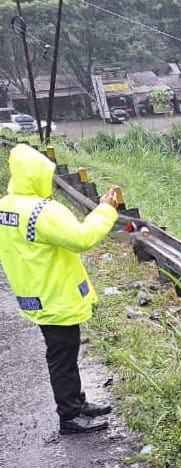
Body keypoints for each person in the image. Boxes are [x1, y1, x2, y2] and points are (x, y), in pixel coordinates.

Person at [0, 143, 121, 434]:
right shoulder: (42, 212)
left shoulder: (6, 206)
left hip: (35, 294)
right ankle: (69, 415)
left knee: (64, 351)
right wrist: (106, 210)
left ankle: (76, 402)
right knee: (63, 356)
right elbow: (82, 237)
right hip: (55, 295)